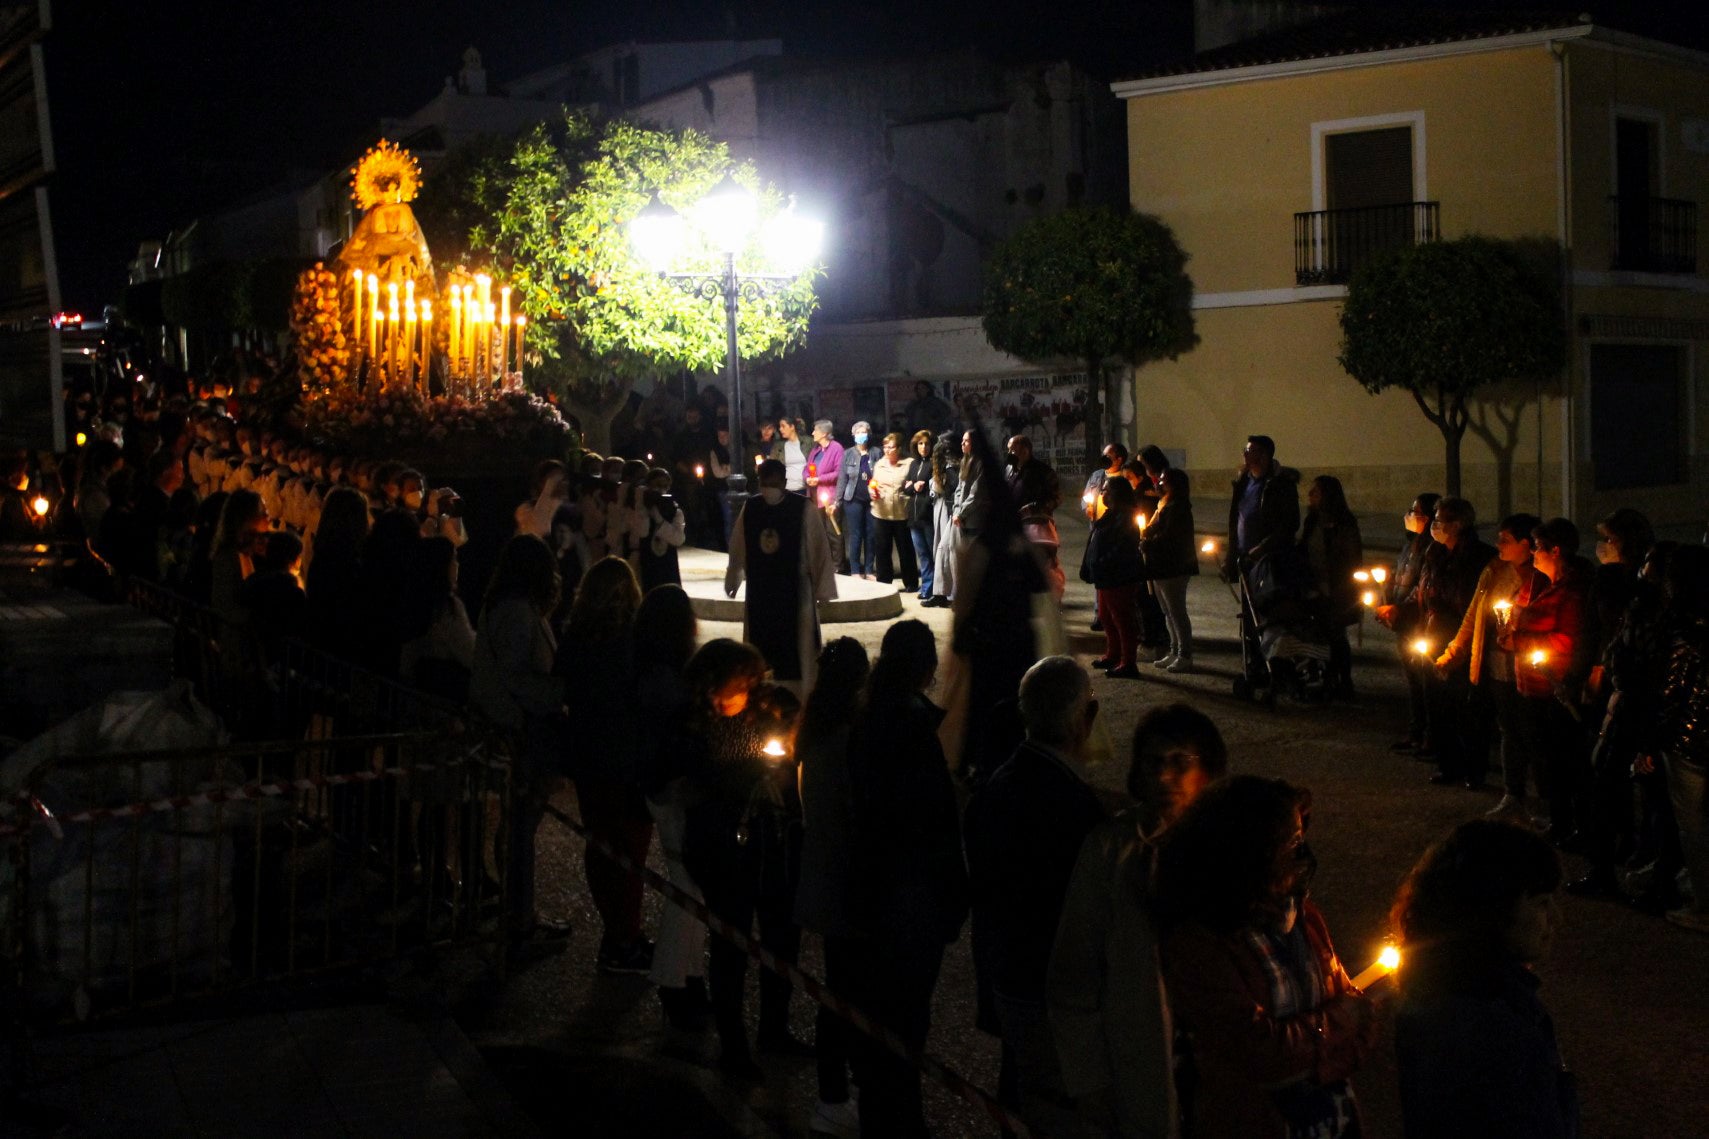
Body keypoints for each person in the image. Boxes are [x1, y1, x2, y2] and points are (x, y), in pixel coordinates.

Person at [1154, 776, 1379, 1139]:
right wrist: (1334, 1027)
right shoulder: (1202, 942)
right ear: (1251, 854)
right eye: (1292, 843)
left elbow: (1363, 1027)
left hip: (1334, 1123)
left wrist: (1311, 1054)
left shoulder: (1304, 918)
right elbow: (1257, 1050)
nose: (1303, 855)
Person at [1048, 703, 1229, 1139]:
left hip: (1224, 1062)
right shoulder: (1110, 851)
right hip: (1146, 1064)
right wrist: (1090, 1081)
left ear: (1208, 769)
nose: (1164, 776)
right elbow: (1074, 973)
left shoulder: (1231, 846)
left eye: (1180, 762)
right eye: (1153, 762)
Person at [965, 656, 1108, 1137]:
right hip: (1050, 986)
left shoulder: (1000, 785)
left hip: (1008, 972)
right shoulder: (1073, 806)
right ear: (1084, 718)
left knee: (1020, 1090)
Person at [849, 620, 968, 1138]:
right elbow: (932, 822)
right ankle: (900, 1119)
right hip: (911, 894)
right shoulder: (912, 727)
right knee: (906, 1014)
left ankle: (880, 1113)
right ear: (926, 668)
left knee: (880, 1009)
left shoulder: (868, 716)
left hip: (876, 887)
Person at [1390, 820, 1576, 1136]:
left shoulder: (1434, 990)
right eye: (1541, 903)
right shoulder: (1497, 1028)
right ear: (1495, 909)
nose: (1555, 918)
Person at [679, 640, 809, 1078]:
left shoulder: (769, 707)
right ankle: (732, 1046)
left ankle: (775, 1029)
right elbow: (691, 781)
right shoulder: (695, 724)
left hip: (771, 848)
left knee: (781, 940)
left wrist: (785, 754)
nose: (725, 698)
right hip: (721, 850)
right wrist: (749, 777)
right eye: (718, 691)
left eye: (733, 688)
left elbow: (795, 744)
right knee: (729, 948)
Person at [468, 533, 571, 956]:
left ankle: (518, 912)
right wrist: (557, 692)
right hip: (521, 728)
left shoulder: (509, 607)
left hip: (516, 723)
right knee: (520, 826)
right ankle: (520, 920)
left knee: (518, 824)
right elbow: (514, 677)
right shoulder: (516, 612)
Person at [557, 555, 654, 974]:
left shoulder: (574, 638)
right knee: (629, 851)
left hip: (587, 754)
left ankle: (617, 933)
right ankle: (624, 939)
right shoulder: (631, 641)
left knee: (600, 845)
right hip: (624, 758)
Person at [793, 638, 871, 1138]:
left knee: (841, 989)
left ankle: (838, 1090)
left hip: (824, 873)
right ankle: (835, 1095)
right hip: (845, 881)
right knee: (846, 993)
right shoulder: (845, 741)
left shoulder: (815, 731)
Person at [630, 585, 709, 1026]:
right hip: (672, 790)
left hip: (664, 786)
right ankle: (673, 981)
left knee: (692, 887)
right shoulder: (666, 680)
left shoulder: (650, 670)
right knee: (687, 887)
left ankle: (689, 976)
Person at [1436, 513, 1541, 825]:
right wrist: (1453, 652)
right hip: (1498, 668)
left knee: (1534, 732)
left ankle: (1546, 801)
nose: (1498, 544)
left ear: (1526, 544)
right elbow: (1473, 615)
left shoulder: (1541, 576)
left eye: (1505, 539)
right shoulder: (1494, 570)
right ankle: (1513, 795)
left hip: (1531, 670)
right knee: (1508, 730)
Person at [1503, 518, 1595, 839]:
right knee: (1545, 760)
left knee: (1560, 761)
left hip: (1553, 689)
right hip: (1532, 686)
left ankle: (1568, 825)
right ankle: (1559, 820)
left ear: (1555, 551)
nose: (1533, 554)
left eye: (1538, 548)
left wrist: (1520, 641)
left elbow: (1567, 641)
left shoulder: (1571, 592)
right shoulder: (1543, 584)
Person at [1634, 543, 1709, 933]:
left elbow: (1671, 693)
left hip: (1690, 740)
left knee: (1693, 825)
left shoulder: (1681, 627)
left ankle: (1704, 905)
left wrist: (1651, 743)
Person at [725, 459, 838, 695]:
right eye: (766, 484)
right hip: (761, 592)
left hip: (795, 592)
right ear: (759, 482)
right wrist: (734, 575)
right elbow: (738, 546)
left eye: (773, 484)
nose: (769, 490)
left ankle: (798, 697)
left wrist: (822, 589)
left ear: (785, 482)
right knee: (763, 652)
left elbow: (818, 549)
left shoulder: (802, 508)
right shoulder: (751, 507)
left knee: (799, 650)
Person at [1413, 497, 1496, 789]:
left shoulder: (1479, 558)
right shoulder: (1434, 553)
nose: (1434, 525)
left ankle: (1474, 769)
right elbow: (1424, 590)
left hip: (1462, 640)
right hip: (1433, 636)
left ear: (1458, 524)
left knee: (1466, 709)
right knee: (1437, 705)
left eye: (1440, 520)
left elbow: (1472, 606)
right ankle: (1448, 765)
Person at [1222, 435, 1299, 680]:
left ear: (1264, 455)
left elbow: (1288, 524)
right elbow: (1236, 520)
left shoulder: (1280, 485)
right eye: (1245, 449)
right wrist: (1231, 555)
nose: (1245, 454)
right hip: (1245, 559)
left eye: (1250, 450)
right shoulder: (1244, 481)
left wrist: (1262, 549)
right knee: (1249, 614)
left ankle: (1277, 665)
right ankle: (1255, 662)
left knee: (1270, 613)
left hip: (1270, 561)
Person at [1377, 493, 1441, 754]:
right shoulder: (1411, 544)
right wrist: (1386, 596)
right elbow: (1401, 576)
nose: (1409, 516)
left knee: (1426, 683)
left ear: (1427, 517)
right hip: (1403, 619)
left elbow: (1422, 586)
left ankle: (1430, 736)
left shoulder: (1431, 548)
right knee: (1413, 682)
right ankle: (1416, 732)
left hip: (1417, 621)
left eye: (1415, 512)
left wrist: (1400, 608)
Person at [1298, 475, 1363, 697]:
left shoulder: (1344, 522)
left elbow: (1350, 558)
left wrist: (1337, 586)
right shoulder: (1312, 520)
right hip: (1315, 587)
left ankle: (1342, 681)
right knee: (1319, 632)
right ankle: (1323, 675)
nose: (1310, 495)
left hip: (1337, 588)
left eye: (1315, 491)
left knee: (1336, 635)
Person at [1083, 475, 1147, 679]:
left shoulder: (1126, 516)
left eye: (1105, 490)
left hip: (1118, 574)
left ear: (1116, 493)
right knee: (1106, 616)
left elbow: (1123, 545)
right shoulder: (1111, 513)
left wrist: (1103, 561)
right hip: (1105, 574)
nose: (1102, 494)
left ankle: (1128, 663)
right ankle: (1113, 654)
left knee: (1122, 619)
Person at [1141, 466, 1199, 674]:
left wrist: (1149, 542)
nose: (1158, 483)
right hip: (1161, 565)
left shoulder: (1178, 508)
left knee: (1177, 612)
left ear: (1174, 485)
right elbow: (1156, 528)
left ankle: (1185, 654)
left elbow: (1171, 536)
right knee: (1167, 611)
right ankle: (1174, 650)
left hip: (1174, 566)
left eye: (1163, 481)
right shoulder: (1164, 504)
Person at [869, 432, 919, 593]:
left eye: (891, 447)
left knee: (905, 550)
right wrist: (872, 490)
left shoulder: (909, 463)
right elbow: (873, 483)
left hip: (901, 513)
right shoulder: (880, 464)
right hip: (881, 512)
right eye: (885, 447)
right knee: (882, 549)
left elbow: (911, 485)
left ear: (899, 448)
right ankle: (884, 582)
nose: (887, 450)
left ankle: (911, 582)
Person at [837, 422, 878, 578]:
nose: (861, 435)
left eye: (864, 432)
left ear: (869, 434)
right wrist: (837, 500)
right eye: (858, 432)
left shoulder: (876, 452)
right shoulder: (847, 454)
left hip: (872, 500)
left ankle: (869, 569)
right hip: (853, 499)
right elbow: (842, 478)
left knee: (870, 535)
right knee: (856, 534)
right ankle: (855, 570)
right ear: (853, 435)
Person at [924, 429, 959, 609]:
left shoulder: (952, 466)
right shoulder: (946, 465)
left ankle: (949, 594)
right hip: (941, 506)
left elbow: (953, 490)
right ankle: (941, 593)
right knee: (940, 549)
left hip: (950, 510)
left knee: (946, 551)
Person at [903, 430, 936, 603]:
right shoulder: (914, 464)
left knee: (933, 554)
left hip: (927, 516)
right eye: (920, 444)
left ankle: (936, 589)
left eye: (927, 444)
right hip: (914, 517)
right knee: (922, 555)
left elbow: (935, 489)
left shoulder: (934, 464)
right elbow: (906, 488)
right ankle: (927, 588)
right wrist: (914, 486)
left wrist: (917, 487)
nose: (923, 447)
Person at [778, 416, 809, 492]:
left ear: (792, 427)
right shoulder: (779, 447)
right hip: (787, 489)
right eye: (780, 426)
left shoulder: (807, 443)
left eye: (783, 426)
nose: (780, 429)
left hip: (805, 488)